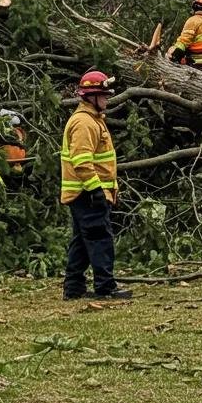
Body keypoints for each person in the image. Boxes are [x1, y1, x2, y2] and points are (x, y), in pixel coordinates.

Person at [61, 70, 132, 300]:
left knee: (82, 241)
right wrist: (96, 190)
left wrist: (111, 189)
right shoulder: (84, 123)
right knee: (100, 238)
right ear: (91, 97)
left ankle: (74, 288)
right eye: (103, 95)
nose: (107, 99)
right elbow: (82, 162)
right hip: (87, 192)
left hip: (87, 192)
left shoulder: (91, 120)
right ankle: (105, 286)